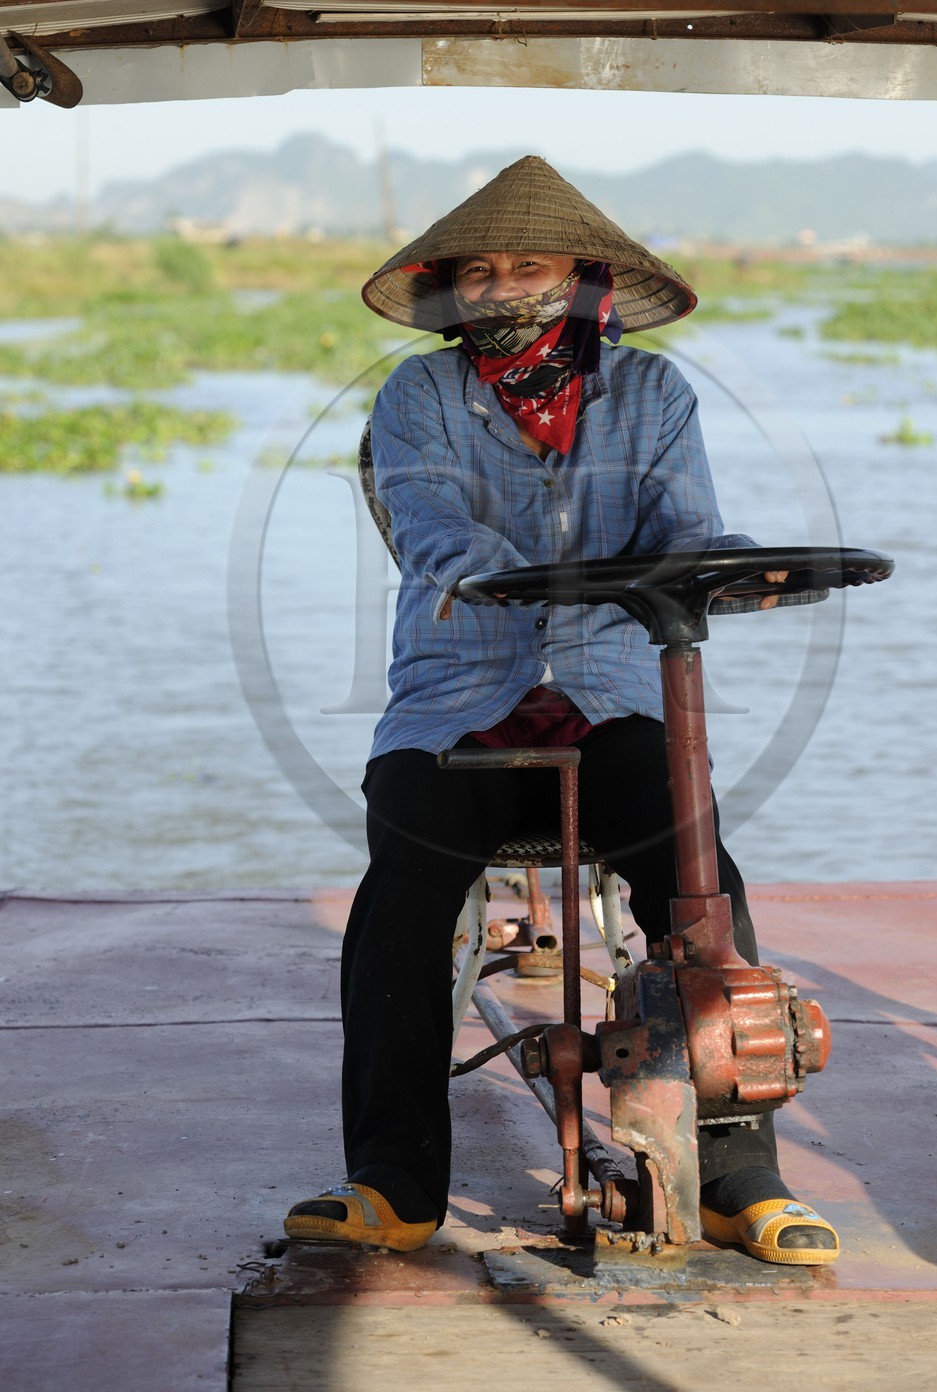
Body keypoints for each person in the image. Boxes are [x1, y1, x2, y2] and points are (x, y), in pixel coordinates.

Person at [284, 157, 839, 1266]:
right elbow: (437, 527)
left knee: (701, 883)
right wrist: (531, 576)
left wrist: (741, 567)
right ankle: (393, 1181)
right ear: (452, 295)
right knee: (399, 898)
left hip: (612, 699)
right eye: (478, 273)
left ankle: (738, 1175)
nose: (500, 289)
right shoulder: (417, 395)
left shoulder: (653, 394)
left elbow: (688, 523)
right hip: (457, 706)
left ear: (586, 281)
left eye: (526, 266)